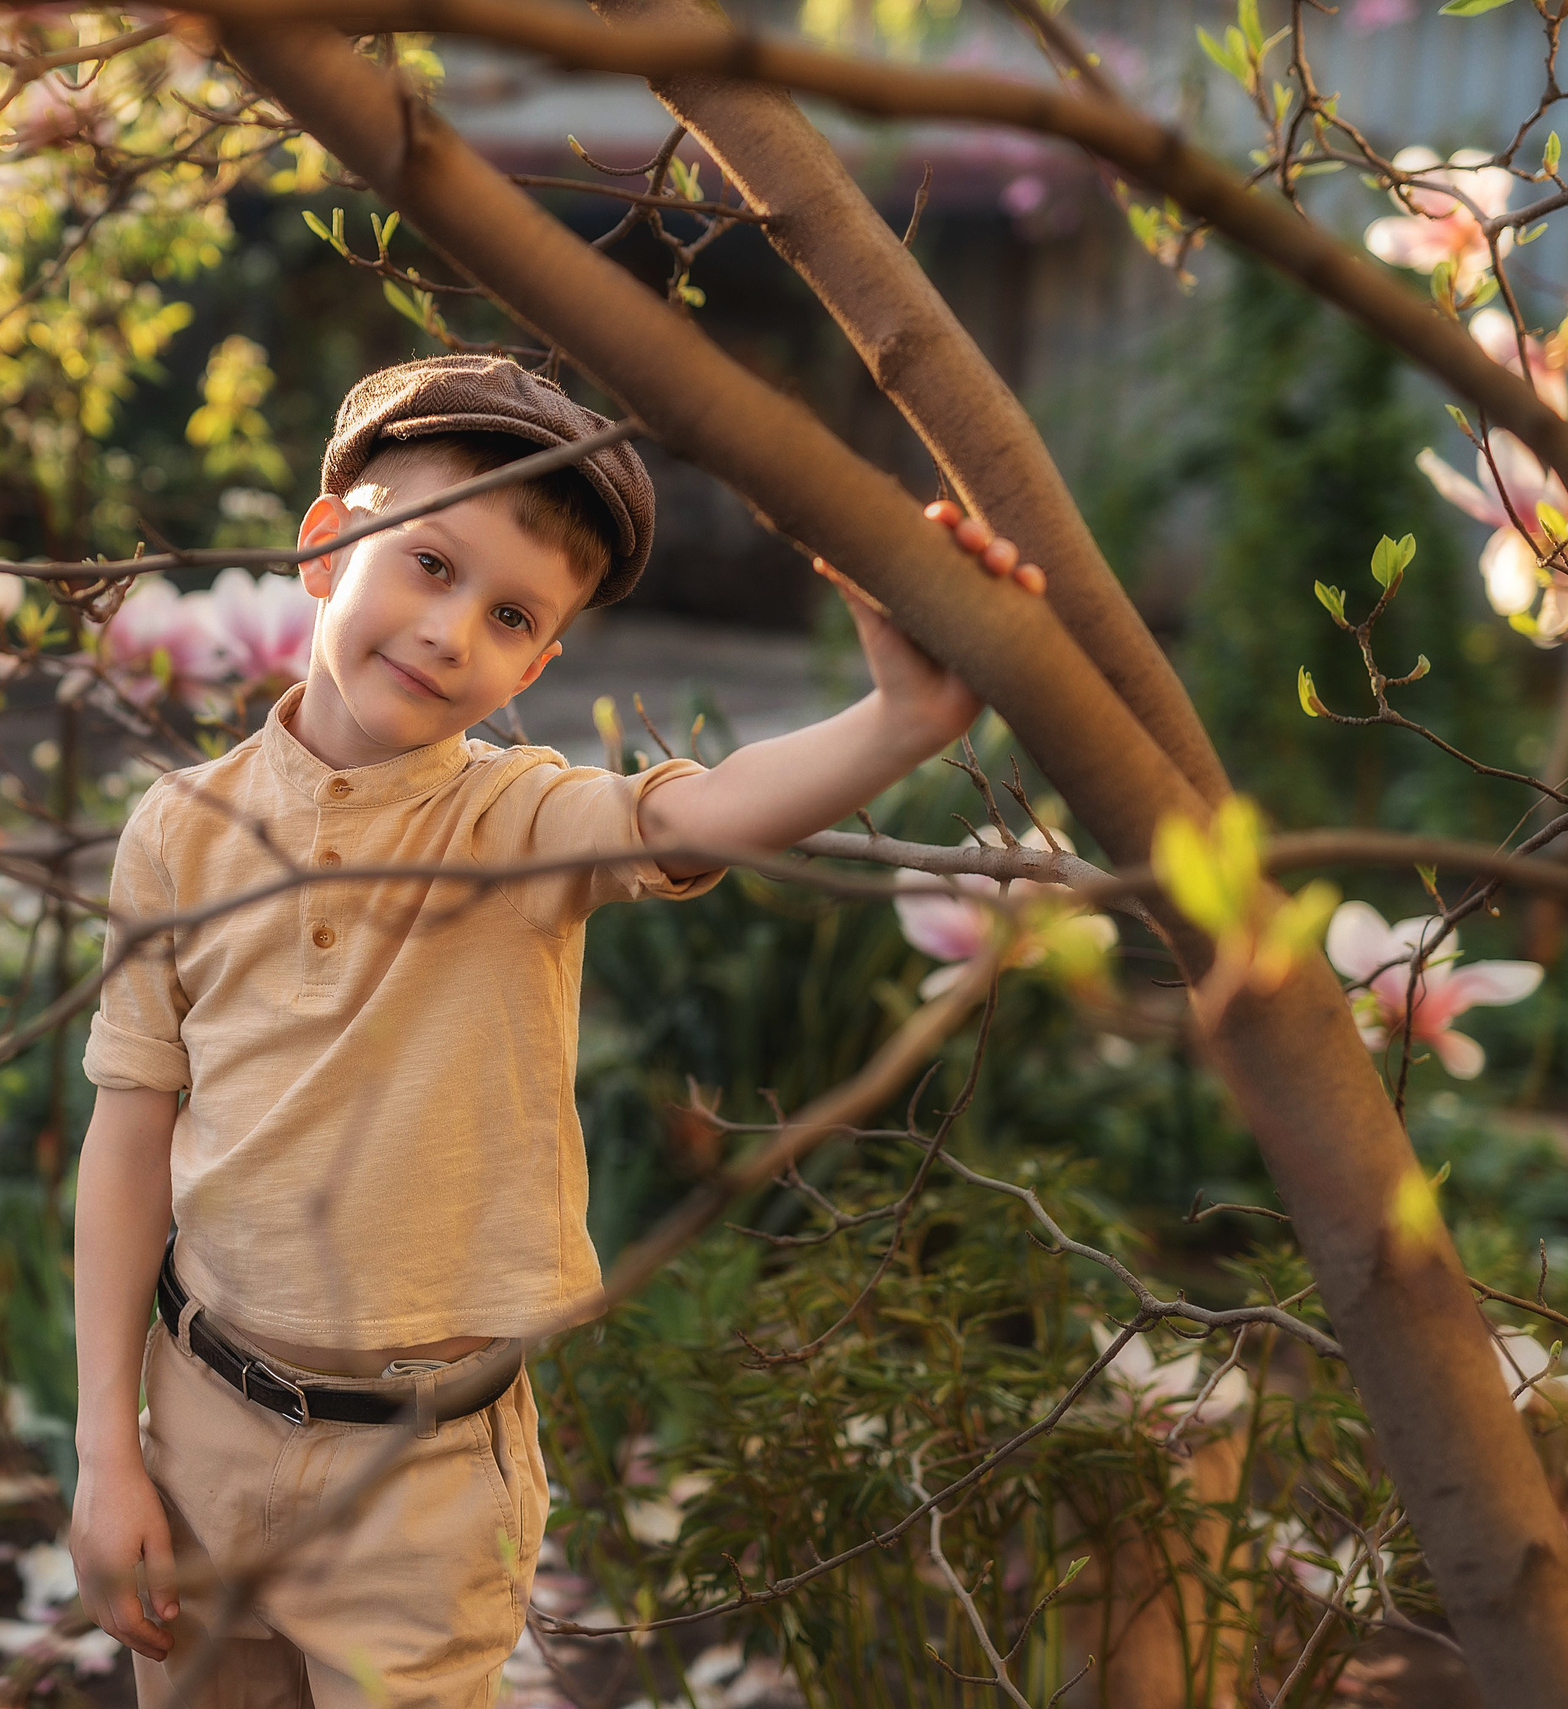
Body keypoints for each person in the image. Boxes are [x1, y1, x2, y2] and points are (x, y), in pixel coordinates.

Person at [69, 354, 1042, 1706]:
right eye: (427, 562)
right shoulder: (181, 829)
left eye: (512, 613)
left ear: (542, 655)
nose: (454, 630)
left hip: (420, 1483)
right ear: (324, 541)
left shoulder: (516, 827)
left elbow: (692, 812)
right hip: (198, 1430)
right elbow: (128, 1132)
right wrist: (107, 1451)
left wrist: (907, 721)